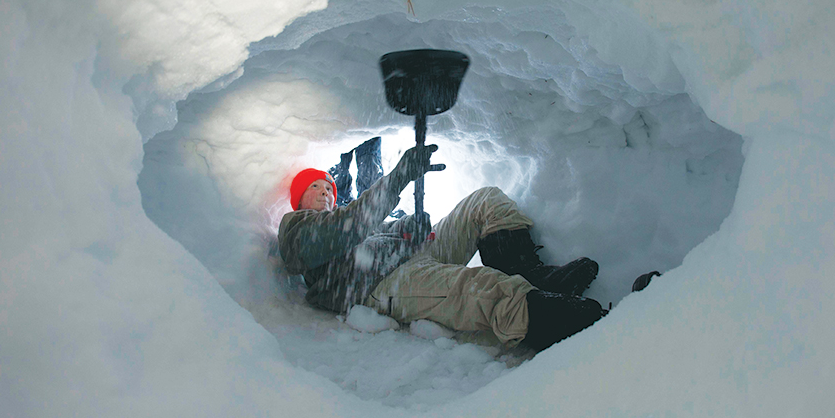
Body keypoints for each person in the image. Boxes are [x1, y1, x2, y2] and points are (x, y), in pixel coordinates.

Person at [279, 144, 656, 351]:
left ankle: (533, 277)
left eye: (329, 186)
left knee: (484, 201)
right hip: (381, 286)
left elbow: (367, 228)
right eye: (316, 187)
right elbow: (346, 229)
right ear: (299, 199)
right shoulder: (297, 228)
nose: (327, 192)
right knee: (483, 289)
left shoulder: (350, 219)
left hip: (412, 256)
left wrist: (407, 228)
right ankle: (598, 325)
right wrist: (396, 178)